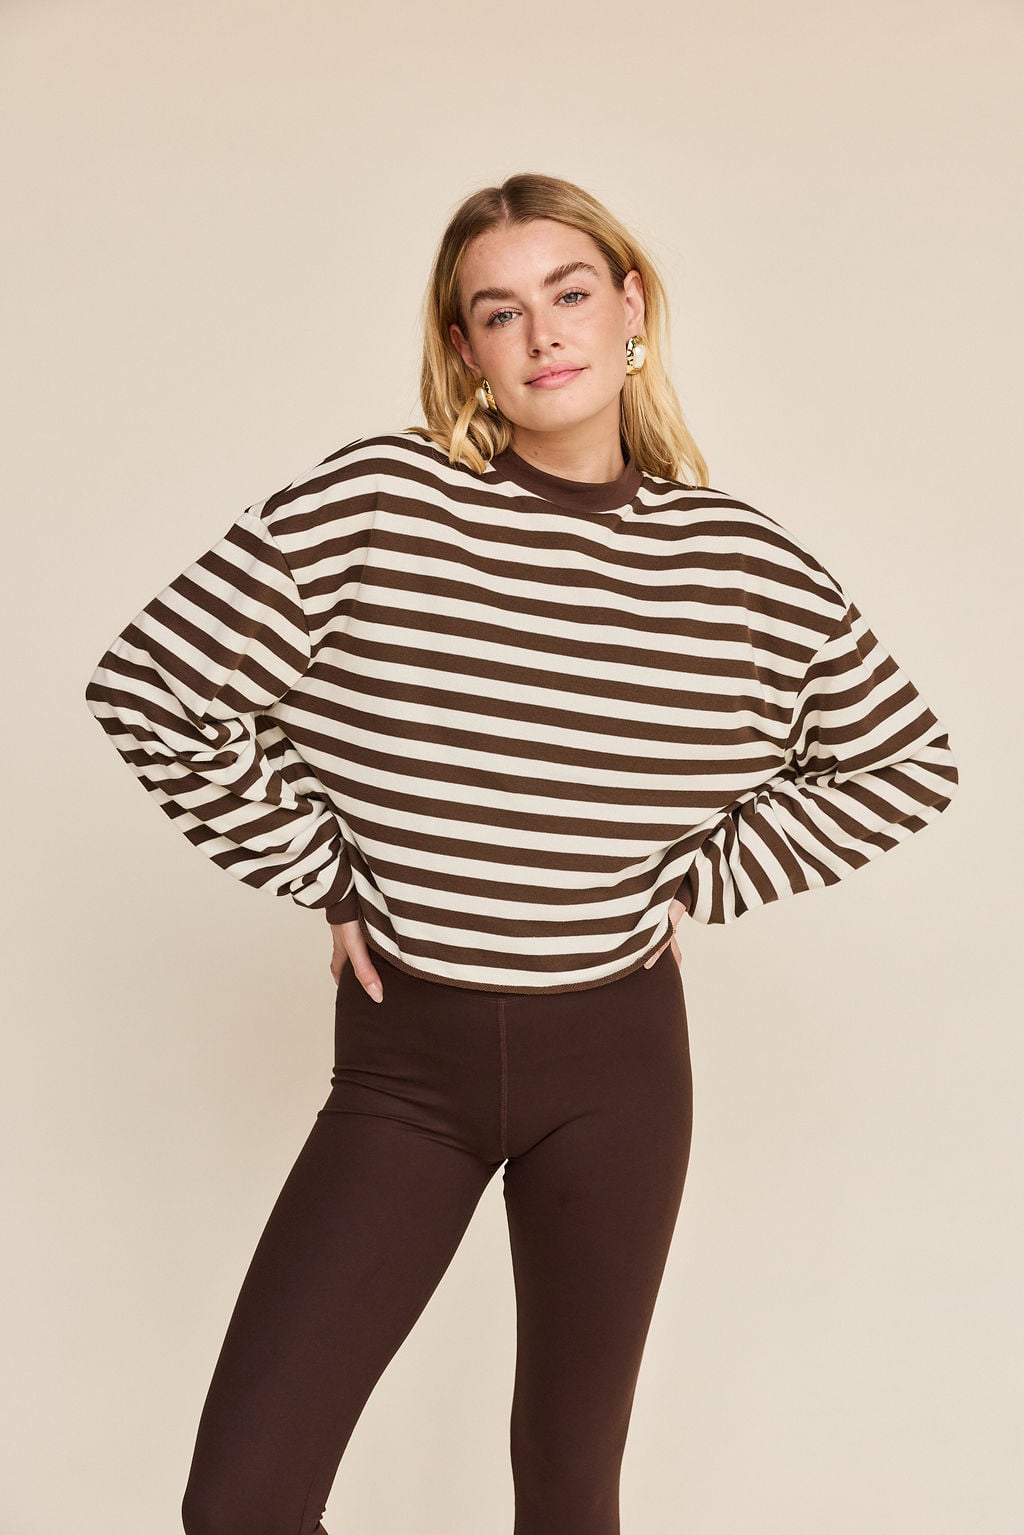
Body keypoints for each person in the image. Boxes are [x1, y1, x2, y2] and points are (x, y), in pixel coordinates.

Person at [84, 171, 959, 1535]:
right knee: (243, 1502)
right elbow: (151, 687)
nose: (543, 333)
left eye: (569, 293)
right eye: (500, 312)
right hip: (407, 1066)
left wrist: (702, 877)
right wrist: (320, 867)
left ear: (630, 308)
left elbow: (904, 760)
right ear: (465, 348)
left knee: (567, 1492)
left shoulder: (734, 561)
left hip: (617, 1068)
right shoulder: (381, 501)